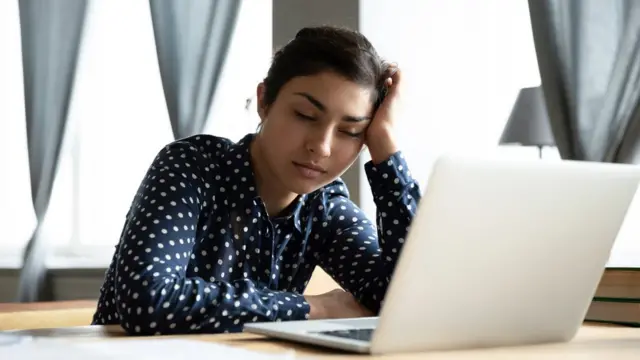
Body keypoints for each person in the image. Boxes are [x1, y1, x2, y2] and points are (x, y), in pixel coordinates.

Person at [91, 25, 422, 335]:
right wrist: (313, 308)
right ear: (264, 101)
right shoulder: (192, 166)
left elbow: (406, 300)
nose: (320, 147)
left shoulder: (324, 207)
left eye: (351, 131)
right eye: (305, 115)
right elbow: (147, 300)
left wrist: (386, 148)